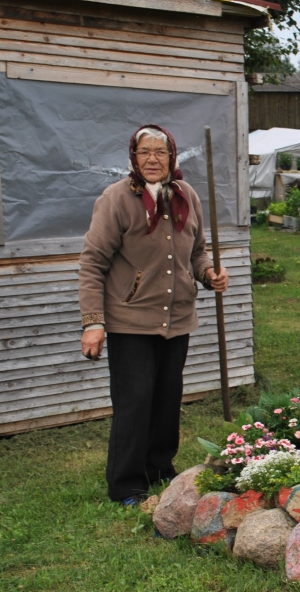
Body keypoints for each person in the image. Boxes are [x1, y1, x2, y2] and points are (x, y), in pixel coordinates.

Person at [78, 124, 229, 506]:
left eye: (160, 152)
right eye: (144, 152)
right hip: (130, 320)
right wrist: (93, 322)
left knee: (166, 398)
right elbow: (93, 263)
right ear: (133, 156)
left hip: (177, 319)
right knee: (134, 401)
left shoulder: (186, 195)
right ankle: (127, 484)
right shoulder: (116, 199)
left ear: (172, 157)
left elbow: (197, 251)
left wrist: (209, 273)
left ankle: (160, 468)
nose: (152, 159)